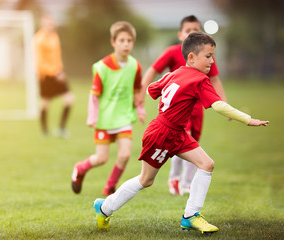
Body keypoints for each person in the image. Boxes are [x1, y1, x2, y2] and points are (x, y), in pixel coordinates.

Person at [93, 32, 269, 234]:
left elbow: (152, 89)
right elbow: (219, 106)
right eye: (208, 56)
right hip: (162, 134)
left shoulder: (175, 72)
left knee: (207, 164)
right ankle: (104, 208)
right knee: (146, 180)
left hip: (177, 132)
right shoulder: (200, 79)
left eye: (213, 56)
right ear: (192, 57)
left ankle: (190, 216)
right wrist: (248, 120)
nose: (212, 61)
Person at [135, 15, 227, 196]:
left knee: (192, 145)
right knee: (182, 140)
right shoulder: (172, 52)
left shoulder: (205, 58)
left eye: (196, 30)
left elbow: (215, 79)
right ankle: (176, 178)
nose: (192, 34)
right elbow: (153, 70)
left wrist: (223, 102)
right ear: (180, 34)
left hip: (196, 109)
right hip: (176, 110)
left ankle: (186, 183)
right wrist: (141, 92)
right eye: (188, 30)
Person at [71, 21, 145, 196]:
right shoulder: (102, 67)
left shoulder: (136, 66)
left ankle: (110, 186)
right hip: (105, 120)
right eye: (122, 40)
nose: (126, 44)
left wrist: (140, 110)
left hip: (124, 118)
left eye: (129, 40)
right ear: (113, 42)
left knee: (125, 154)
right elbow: (94, 95)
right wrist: (92, 117)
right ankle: (80, 168)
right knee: (101, 159)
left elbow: (137, 92)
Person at [33, 15, 74, 138]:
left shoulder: (55, 36)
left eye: (52, 23)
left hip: (57, 74)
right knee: (45, 103)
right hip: (46, 76)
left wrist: (60, 70)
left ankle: (61, 129)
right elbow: (40, 62)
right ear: (42, 24)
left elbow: (56, 57)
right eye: (48, 24)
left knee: (69, 100)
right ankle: (44, 131)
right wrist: (55, 72)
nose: (50, 26)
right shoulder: (39, 39)